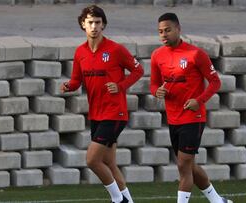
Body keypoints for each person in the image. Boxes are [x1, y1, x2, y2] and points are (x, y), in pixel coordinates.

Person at [61, 5, 143, 203]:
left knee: (92, 160)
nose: (94, 26)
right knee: (109, 163)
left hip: (115, 114)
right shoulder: (80, 52)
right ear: (83, 24)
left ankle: (118, 200)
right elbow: (76, 79)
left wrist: (121, 86)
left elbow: (138, 70)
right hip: (96, 115)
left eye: (98, 22)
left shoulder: (116, 49)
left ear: (103, 25)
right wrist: (68, 86)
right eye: (90, 22)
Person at [150, 13, 232, 203]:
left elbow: (215, 82)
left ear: (179, 29)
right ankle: (218, 201)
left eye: (168, 30)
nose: (164, 35)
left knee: (183, 166)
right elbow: (154, 84)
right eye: (160, 31)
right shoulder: (157, 55)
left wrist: (199, 100)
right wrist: (157, 92)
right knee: (190, 165)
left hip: (193, 118)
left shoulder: (196, 54)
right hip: (173, 118)